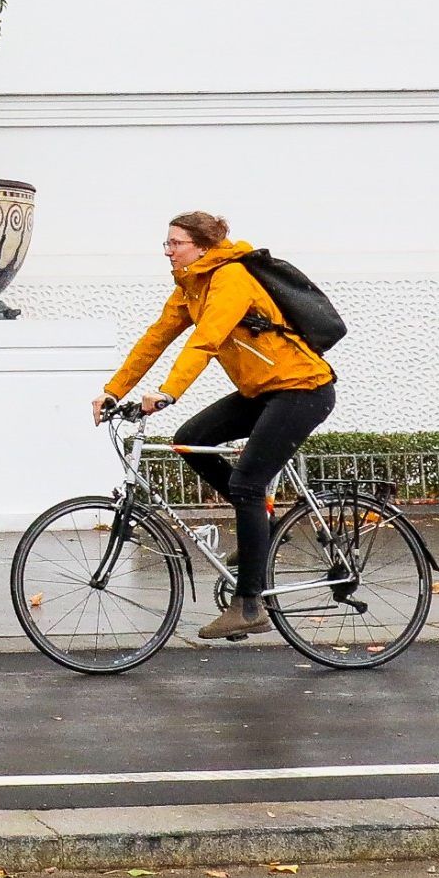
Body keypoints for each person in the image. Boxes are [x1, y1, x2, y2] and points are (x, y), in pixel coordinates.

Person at [98, 211, 335, 642]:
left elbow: (205, 341)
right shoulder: (191, 286)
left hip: (303, 389)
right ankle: (260, 524)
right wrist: (113, 390)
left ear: (203, 247)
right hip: (261, 390)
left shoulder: (230, 279)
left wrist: (169, 392)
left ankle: (249, 606)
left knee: (246, 484)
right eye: (166, 243)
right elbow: (155, 339)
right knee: (191, 440)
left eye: (176, 243)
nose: (168, 251)